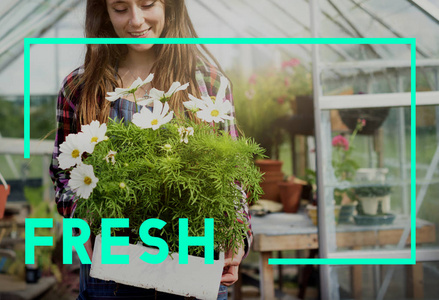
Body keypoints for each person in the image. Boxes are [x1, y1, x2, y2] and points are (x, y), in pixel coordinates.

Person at [49, 0, 252, 299]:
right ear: (103, 12)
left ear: (170, 5)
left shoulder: (207, 82)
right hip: (111, 272)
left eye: (147, 4)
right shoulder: (80, 86)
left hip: (190, 265)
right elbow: (64, 175)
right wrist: (81, 221)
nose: (136, 20)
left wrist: (237, 237)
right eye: (120, 8)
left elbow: (232, 179)